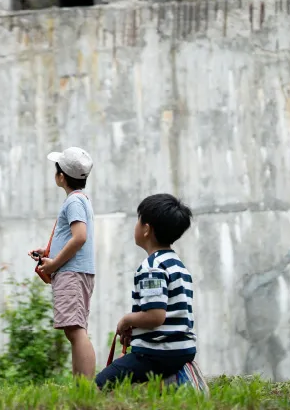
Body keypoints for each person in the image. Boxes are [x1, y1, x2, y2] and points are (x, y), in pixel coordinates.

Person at [95, 193, 196, 390]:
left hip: (157, 353)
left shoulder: (152, 267)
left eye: (138, 221)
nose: (136, 226)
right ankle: (168, 383)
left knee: (100, 384)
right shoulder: (178, 265)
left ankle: (167, 382)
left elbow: (155, 316)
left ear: (146, 229)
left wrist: (127, 320)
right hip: (182, 349)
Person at [30, 147, 96, 378]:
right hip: (75, 271)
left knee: (76, 331)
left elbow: (79, 237)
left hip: (71, 272)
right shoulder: (79, 200)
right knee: (74, 330)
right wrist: (48, 251)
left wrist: (54, 263)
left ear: (61, 177)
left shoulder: (73, 203)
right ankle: (81, 385)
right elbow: (72, 237)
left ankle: (86, 387)